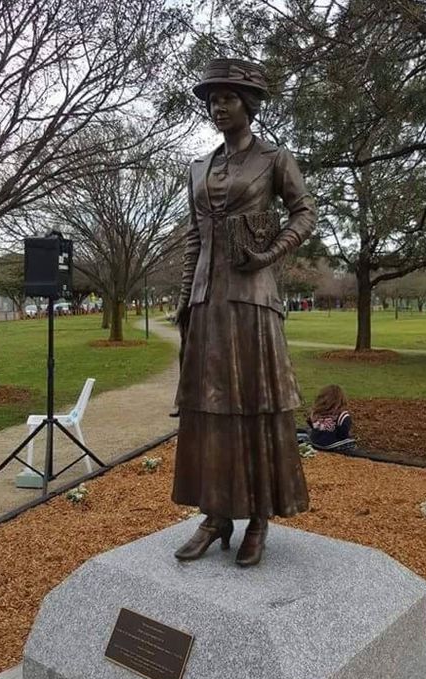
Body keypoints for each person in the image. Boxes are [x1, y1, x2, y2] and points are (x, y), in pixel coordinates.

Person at [171, 58, 317, 567]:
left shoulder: (275, 159)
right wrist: (185, 296)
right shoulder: (197, 168)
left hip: (253, 300)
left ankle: (258, 516)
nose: (218, 106)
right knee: (208, 408)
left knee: (255, 404)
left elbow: (305, 212)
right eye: (212, 99)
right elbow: (196, 235)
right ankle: (215, 515)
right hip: (207, 303)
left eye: (228, 97)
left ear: (249, 104)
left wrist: (271, 253)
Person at [307, 385, 356, 452]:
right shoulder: (342, 415)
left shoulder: (314, 412)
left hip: (314, 442)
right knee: (352, 442)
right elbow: (343, 434)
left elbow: (310, 424)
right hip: (332, 445)